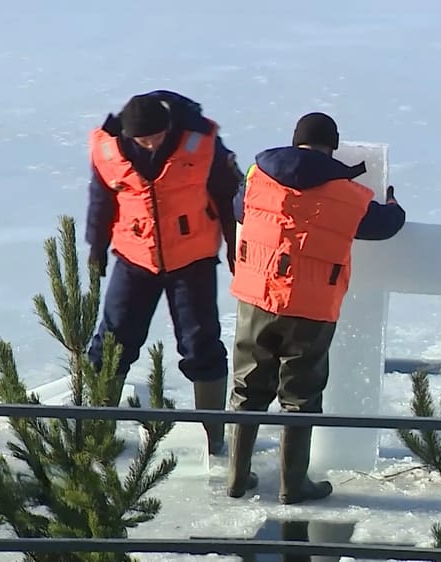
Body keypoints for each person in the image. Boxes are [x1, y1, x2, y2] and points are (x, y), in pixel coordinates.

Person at [224, 112, 406, 504]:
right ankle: (293, 485)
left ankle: (237, 478)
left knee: (247, 388)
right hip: (311, 306)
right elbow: (385, 225)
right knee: (300, 396)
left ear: (294, 142)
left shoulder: (258, 177)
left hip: (256, 296)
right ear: (332, 146)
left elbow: (239, 208)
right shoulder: (347, 194)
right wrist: (393, 202)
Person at [84, 90, 243, 455]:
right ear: (128, 135)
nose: (152, 144)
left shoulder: (202, 145)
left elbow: (230, 196)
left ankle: (212, 436)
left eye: (157, 136)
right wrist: (96, 247)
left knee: (201, 343)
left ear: (169, 126)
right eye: (143, 140)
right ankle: (96, 431)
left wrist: (237, 246)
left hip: (193, 259)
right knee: (113, 342)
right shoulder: (108, 150)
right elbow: (101, 200)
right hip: (134, 257)